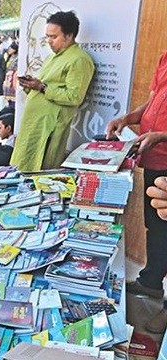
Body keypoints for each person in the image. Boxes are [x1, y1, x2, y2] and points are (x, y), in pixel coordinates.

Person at [106, 50, 167, 334]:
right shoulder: (164, 57)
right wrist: (128, 118)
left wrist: (162, 136)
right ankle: (151, 281)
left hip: (163, 151)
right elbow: (154, 99)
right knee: (155, 226)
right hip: (153, 157)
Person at [11, 11, 95, 171]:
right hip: (34, 123)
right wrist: (31, 86)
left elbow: (74, 97)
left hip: (49, 126)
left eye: (53, 37)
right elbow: (43, 88)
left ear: (69, 36)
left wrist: (41, 87)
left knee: (40, 170)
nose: (49, 41)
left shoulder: (79, 60)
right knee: (22, 167)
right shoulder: (52, 58)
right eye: (47, 36)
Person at [3, 42, 19, 108]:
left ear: (15, 50)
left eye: (11, 48)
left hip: (13, 78)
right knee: (8, 97)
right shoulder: (9, 57)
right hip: (7, 79)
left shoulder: (17, 58)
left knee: (13, 98)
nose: (9, 50)